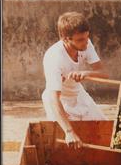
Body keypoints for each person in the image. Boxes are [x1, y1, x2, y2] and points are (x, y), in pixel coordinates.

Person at [42, 12, 108, 148]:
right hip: (60, 101)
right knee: (68, 144)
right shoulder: (54, 58)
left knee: (105, 131)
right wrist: (69, 131)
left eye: (87, 37)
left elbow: (104, 74)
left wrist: (86, 73)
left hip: (79, 94)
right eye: (80, 40)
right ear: (65, 39)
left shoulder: (86, 43)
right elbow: (54, 98)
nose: (85, 42)